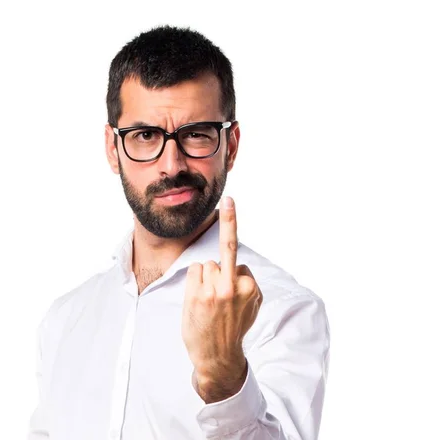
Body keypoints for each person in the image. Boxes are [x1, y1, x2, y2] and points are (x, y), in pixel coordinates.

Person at [28, 25, 330, 440]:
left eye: (195, 135)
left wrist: (226, 379)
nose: (171, 164)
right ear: (112, 149)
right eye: (145, 135)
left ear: (232, 145)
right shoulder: (64, 321)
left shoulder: (284, 311)